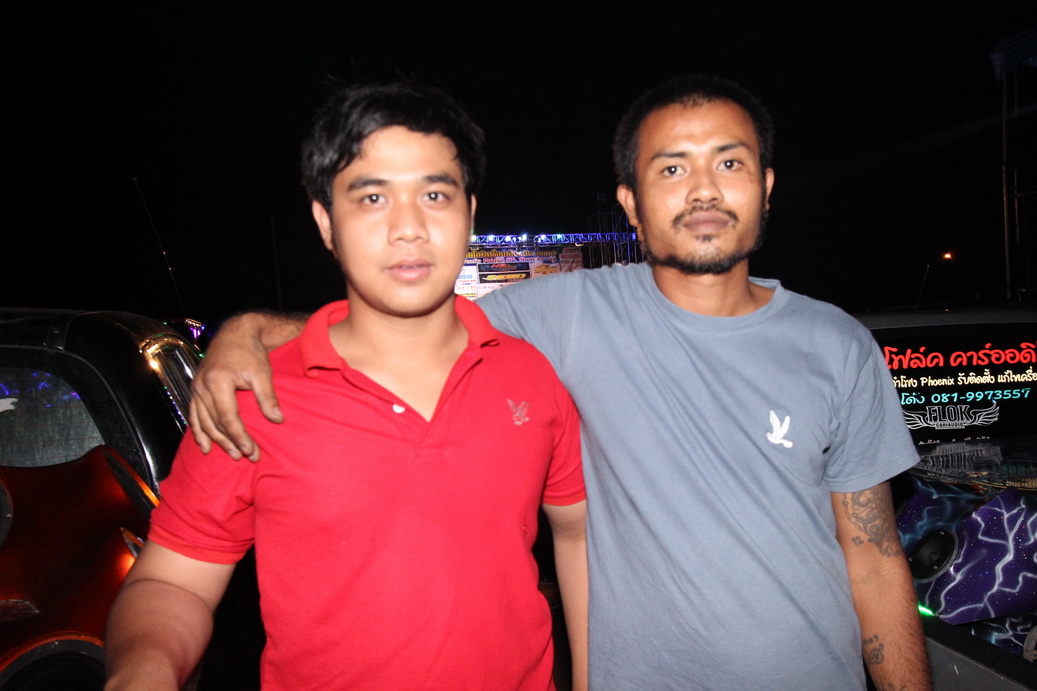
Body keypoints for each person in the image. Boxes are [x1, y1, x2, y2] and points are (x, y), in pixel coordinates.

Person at [189, 75, 931, 689]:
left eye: (729, 164)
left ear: (765, 186)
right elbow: (402, 313)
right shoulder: (567, 315)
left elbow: (873, 557)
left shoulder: (836, 344)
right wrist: (249, 330)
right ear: (630, 202)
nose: (703, 190)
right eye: (672, 169)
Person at [104, 82, 588, 691]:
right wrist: (143, 671)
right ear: (325, 222)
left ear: (469, 212)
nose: (408, 227)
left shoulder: (530, 376)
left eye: (434, 194)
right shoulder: (252, 397)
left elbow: (577, 534)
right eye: (372, 197)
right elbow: (173, 581)